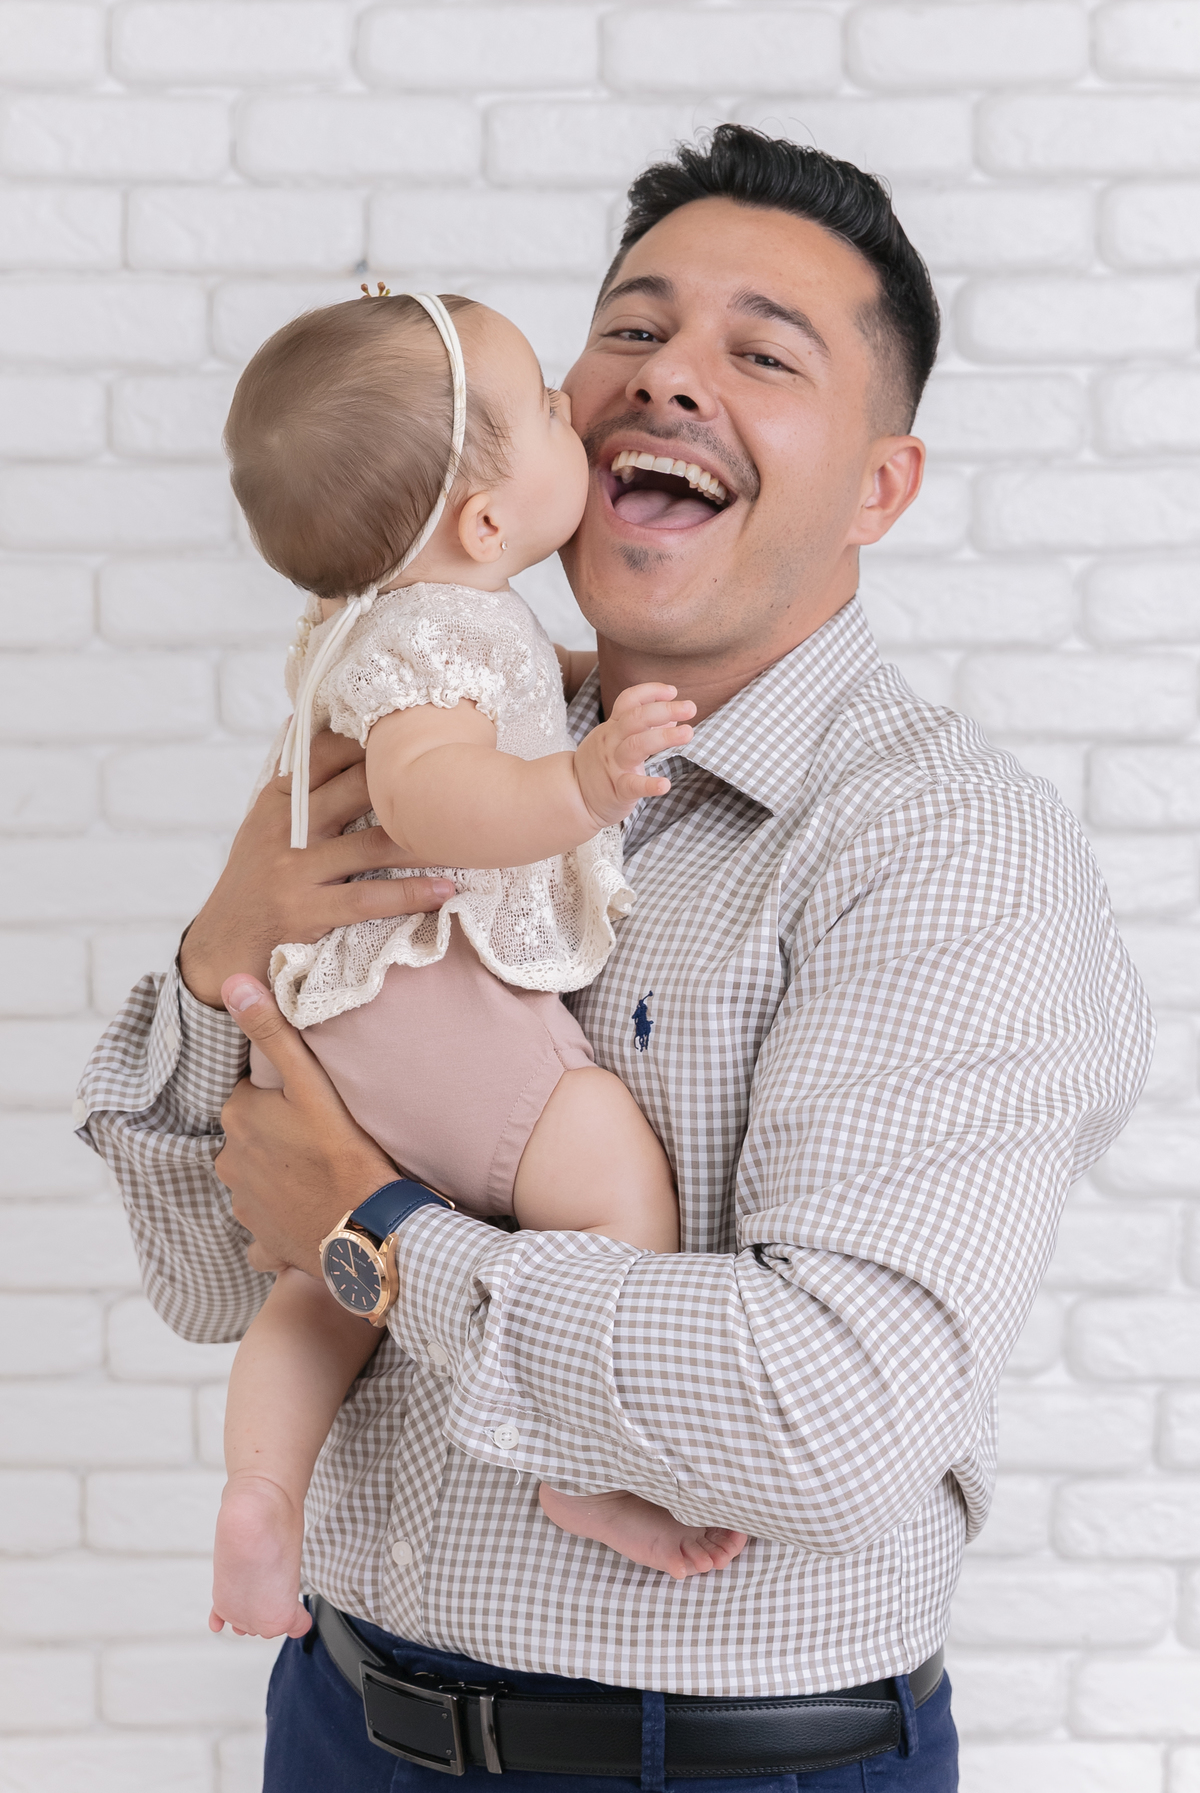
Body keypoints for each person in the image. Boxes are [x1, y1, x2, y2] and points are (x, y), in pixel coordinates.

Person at [77, 128, 1153, 1790]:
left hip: (716, 1765)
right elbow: (216, 1278)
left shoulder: (939, 849)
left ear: (880, 483)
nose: (667, 382)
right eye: (632, 331)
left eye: (761, 352)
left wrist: (376, 1240)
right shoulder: (436, 738)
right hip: (345, 1721)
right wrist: (222, 958)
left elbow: (837, 1415)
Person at [209, 285, 748, 1642]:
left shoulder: (404, 622)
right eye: (559, 416)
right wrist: (580, 778)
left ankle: (262, 1494)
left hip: (345, 1020)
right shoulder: (437, 640)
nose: (587, 414)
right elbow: (440, 795)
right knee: (611, 1170)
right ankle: (590, 1474)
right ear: (488, 526)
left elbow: (473, 697)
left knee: (316, 1283)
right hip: (431, 1006)